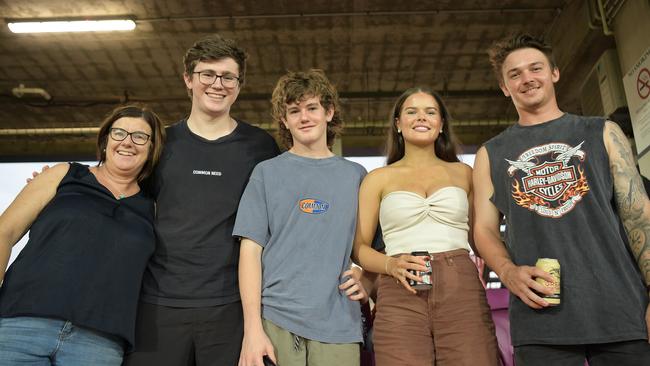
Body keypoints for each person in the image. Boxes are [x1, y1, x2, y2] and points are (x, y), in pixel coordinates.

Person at [473, 33, 650, 365]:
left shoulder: (602, 131)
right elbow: (483, 230)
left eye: (535, 68)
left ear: (554, 73)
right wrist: (508, 272)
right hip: (541, 317)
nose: (527, 78)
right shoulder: (490, 154)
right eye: (515, 74)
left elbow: (639, 214)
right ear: (504, 87)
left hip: (621, 307)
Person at [123, 35, 279, 366]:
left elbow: (284, 218)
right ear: (188, 79)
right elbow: (116, 188)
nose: (217, 84)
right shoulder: (160, 142)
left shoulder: (261, 147)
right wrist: (58, 183)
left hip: (231, 307)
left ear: (239, 85)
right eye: (207, 74)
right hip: (157, 305)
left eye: (228, 77)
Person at [0, 104, 165, 365]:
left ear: (152, 148)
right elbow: (4, 232)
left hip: (98, 343)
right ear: (106, 139)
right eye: (119, 133)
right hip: (22, 324)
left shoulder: (153, 207)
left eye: (140, 136)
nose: (128, 142)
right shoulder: (63, 175)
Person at [352, 87, 499, 366]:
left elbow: (483, 237)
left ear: (442, 124)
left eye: (430, 112)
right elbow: (358, 248)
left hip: (461, 288)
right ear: (397, 123)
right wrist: (390, 266)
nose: (421, 117)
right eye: (411, 111)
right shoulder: (377, 179)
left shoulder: (464, 173)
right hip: (398, 287)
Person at [234, 69, 368, 366]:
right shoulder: (266, 174)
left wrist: (367, 279)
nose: (304, 117)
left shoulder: (356, 176)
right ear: (284, 120)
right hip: (276, 320)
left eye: (312, 108)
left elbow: (372, 249)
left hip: (338, 325)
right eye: (294, 111)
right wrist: (252, 329)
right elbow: (250, 253)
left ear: (329, 112)